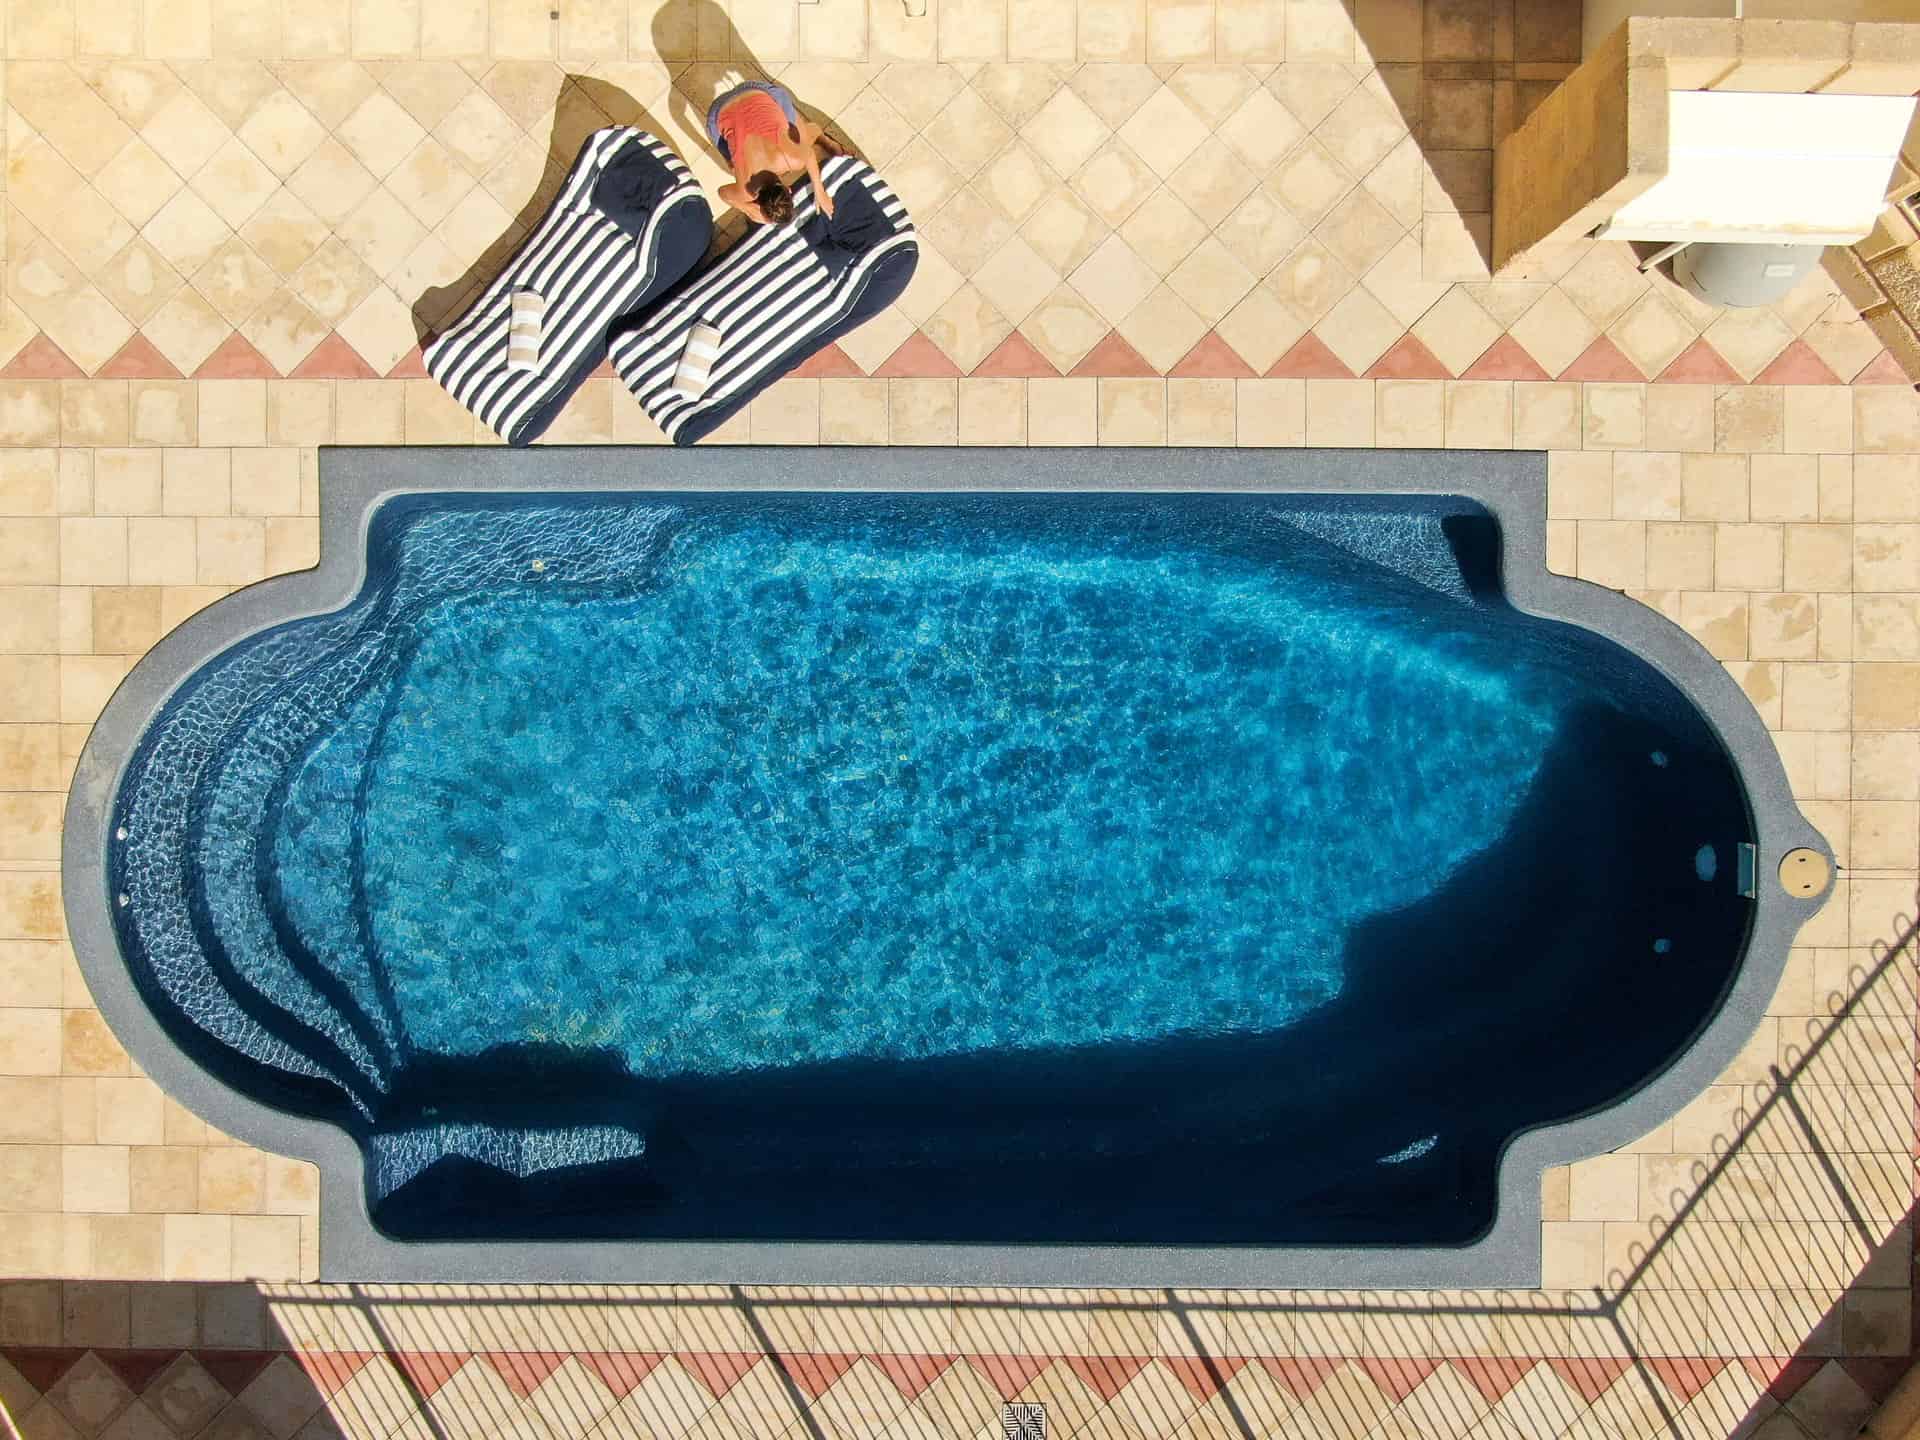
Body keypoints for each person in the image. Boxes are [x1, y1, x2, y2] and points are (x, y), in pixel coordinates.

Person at [704, 80, 840, 225]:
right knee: (733, 166)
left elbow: (810, 153)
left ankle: (826, 140)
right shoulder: (745, 190)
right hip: (718, 110)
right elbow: (723, 193)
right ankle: (823, 140)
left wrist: (819, 191)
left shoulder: (791, 160)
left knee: (804, 136)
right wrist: (747, 209)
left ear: (788, 190)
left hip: (755, 91)